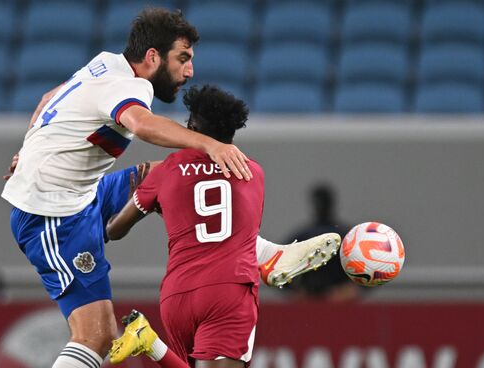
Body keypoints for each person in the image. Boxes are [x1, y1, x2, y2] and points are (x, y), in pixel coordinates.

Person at [1, 8, 338, 368]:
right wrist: (209, 144)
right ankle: (258, 254)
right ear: (152, 57)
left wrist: (30, 148)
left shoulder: (106, 64)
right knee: (96, 336)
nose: (189, 71)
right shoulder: (131, 86)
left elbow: (48, 98)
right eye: (183, 58)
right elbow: (141, 124)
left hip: (81, 195)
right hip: (54, 216)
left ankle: (263, 252)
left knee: (172, 176)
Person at [104, 85, 341, 368]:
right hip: (227, 290)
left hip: (177, 294)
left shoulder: (166, 169)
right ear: (231, 132)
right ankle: (269, 256)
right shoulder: (252, 172)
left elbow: (115, 231)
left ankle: (150, 342)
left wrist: (151, 205)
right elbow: (236, 230)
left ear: (191, 127)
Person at [284, 184, 362, 301]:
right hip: (308, 304)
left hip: (342, 305)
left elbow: (365, 272)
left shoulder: (346, 237)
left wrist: (349, 289)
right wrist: (298, 292)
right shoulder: (303, 236)